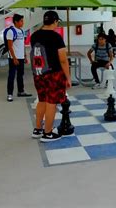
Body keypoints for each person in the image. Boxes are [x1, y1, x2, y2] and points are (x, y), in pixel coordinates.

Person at [30, 10, 71, 142]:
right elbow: (63, 60)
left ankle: (37, 129)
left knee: (42, 99)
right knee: (51, 103)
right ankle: (48, 133)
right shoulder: (56, 37)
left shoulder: (34, 35)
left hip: (38, 73)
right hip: (54, 74)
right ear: (55, 21)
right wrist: (68, 77)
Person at [6, 14, 32, 102]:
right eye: (21, 21)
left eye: (22, 21)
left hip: (21, 57)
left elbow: (22, 45)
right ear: (16, 22)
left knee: (20, 75)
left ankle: (21, 91)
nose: (23, 22)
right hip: (14, 58)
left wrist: (24, 55)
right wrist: (14, 58)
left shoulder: (21, 30)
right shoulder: (11, 31)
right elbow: (10, 46)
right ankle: (9, 94)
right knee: (12, 76)